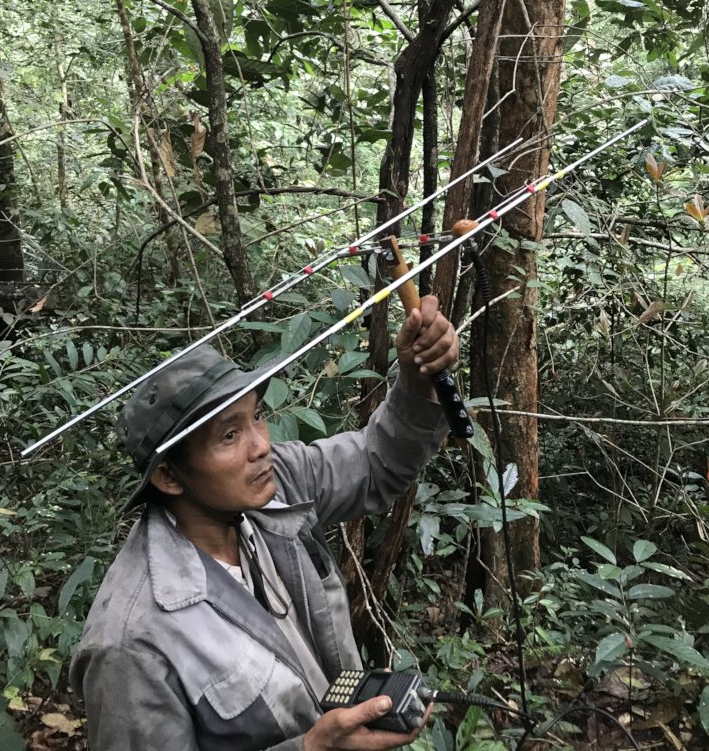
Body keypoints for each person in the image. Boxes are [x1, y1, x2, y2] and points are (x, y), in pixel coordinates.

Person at [70, 296, 459, 751]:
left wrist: (415, 380)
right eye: (229, 435)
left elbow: (379, 462)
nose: (260, 447)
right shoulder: (130, 641)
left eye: (257, 416)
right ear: (168, 475)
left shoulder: (279, 484)